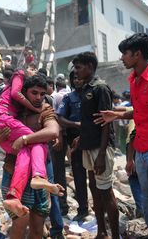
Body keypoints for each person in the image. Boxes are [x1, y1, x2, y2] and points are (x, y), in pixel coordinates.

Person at [97, 33, 148, 238]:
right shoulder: (134, 80)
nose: (121, 58)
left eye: (125, 53)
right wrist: (116, 115)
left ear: (138, 54)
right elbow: (139, 112)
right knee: (147, 200)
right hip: (141, 151)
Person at [0, 65, 64, 217]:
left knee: (39, 220)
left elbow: (53, 131)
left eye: (42, 94)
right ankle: (38, 177)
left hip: (30, 166)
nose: (38, 97)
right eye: (34, 93)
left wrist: (24, 138)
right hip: (13, 167)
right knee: (37, 143)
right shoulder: (16, 106)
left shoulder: (45, 109)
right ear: (24, 92)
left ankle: (14, 197)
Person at [72, 52, 119, 238]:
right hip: (88, 145)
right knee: (94, 188)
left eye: (79, 67)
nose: (76, 72)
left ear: (90, 66)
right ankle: (101, 231)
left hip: (100, 147)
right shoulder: (85, 89)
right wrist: (80, 138)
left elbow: (106, 121)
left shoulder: (100, 88)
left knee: (106, 192)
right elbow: (90, 121)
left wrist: (101, 154)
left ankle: (115, 235)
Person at [57, 71, 89, 221]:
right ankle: (83, 209)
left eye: (79, 77)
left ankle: (100, 208)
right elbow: (60, 118)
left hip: (91, 141)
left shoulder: (92, 94)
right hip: (75, 143)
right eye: (74, 78)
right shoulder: (69, 98)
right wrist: (75, 124)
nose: (77, 80)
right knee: (78, 176)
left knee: (96, 177)